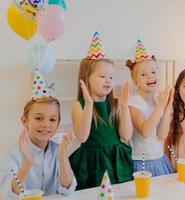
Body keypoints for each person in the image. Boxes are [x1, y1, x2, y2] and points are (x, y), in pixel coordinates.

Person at [69, 32, 133, 190]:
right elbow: (82, 137)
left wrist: (124, 108)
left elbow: (126, 135)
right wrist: (89, 105)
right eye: (103, 76)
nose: (108, 81)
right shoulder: (79, 105)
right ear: (86, 78)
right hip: (93, 164)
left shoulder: (116, 104)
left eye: (111, 77)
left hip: (116, 160)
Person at [0, 71, 76, 199]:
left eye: (52, 120)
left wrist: (63, 158)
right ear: (25, 121)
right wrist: (27, 163)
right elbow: (8, 195)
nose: (46, 124)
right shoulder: (11, 154)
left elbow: (67, 190)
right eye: (39, 118)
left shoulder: (58, 150)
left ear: (58, 124)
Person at [126, 39, 174, 176]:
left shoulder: (157, 102)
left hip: (160, 160)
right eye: (143, 74)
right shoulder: (134, 102)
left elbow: (161, 135)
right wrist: (160, 107)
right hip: (141, 164)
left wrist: (167, 107)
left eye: (153, 72)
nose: (150, 76)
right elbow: (145, 131)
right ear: (136, 82)